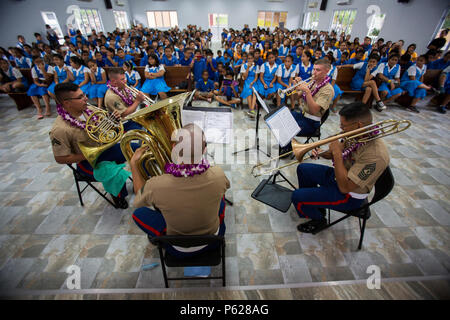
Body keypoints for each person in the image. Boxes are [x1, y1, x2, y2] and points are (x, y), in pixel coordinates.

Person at [131, 123, 230, 258]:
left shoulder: (155, 185)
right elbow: (225, 186)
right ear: (204, 150)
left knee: (139, 213)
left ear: (173, 148)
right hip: (213, 240)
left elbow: (138, 200)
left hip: (177, 248)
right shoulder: (218, 174)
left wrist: (134, 165)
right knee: (220, 197)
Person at [292, 102, 389, 233]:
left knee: (297, 197)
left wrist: (337, 153)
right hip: (341, 175)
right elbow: (334, 153)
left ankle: (318, 220)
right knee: (303, 169)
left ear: (359, 125)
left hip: (350, 194)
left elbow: (345, 187)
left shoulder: (375, 155)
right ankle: (315, 204)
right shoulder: (356, 133)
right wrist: (321, 152)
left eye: (344, 125)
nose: (340, 128)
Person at [49, 82, 130, 209]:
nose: (86, 98)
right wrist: (86, 155)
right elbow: (60, 158)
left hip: (104, 149)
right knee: (115, 172)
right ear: (66, 103)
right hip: (87, 162)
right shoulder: (60, 129)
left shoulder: (89, 109)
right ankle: (119, 197)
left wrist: (113, 120)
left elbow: (103, 128)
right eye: (80, 97)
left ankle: (144, 183)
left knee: (136, 149)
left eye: (84, 94)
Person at [279, 59, 334, 156]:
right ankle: (286, 146)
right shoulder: (312, 81)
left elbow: (314, 111)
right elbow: (296, 97)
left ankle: (287, 149)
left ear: (326, 71)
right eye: (313, 69)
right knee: (281, 117)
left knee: (286, 126)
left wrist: (307, 92)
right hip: (303, 115)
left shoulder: (328, 90)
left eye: (318, 70)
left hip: (312, 123)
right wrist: (296, 87)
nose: (314, 72)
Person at [240, 53, 262, 118]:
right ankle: (251, 110)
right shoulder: (244, 66)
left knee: (254, 92)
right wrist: (248, 68)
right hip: (247, 81)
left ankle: (251, 110)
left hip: (254, 81)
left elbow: (256, 77)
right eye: (248, 58)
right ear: (247, 59)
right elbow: (244, 77)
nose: (250, 60)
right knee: (249, 92)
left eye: (251, 58)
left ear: (253, 59)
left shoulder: (256, 66)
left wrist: (253, 82)